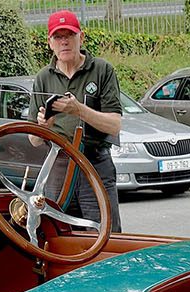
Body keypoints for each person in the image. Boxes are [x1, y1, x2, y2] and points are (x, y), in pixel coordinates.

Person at [33, 9, 124, 232]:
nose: (64, 42)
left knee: (105, 235)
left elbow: (114, 124)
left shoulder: (102, 70)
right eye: (58, 37)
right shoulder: (43, 78)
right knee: (59, 235)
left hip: (95, 162)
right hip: (58, 165)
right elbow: (34, 141)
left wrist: (79, 110)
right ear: (50, 43)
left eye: (69, 36)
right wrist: (43, 128)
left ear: (80, 38)